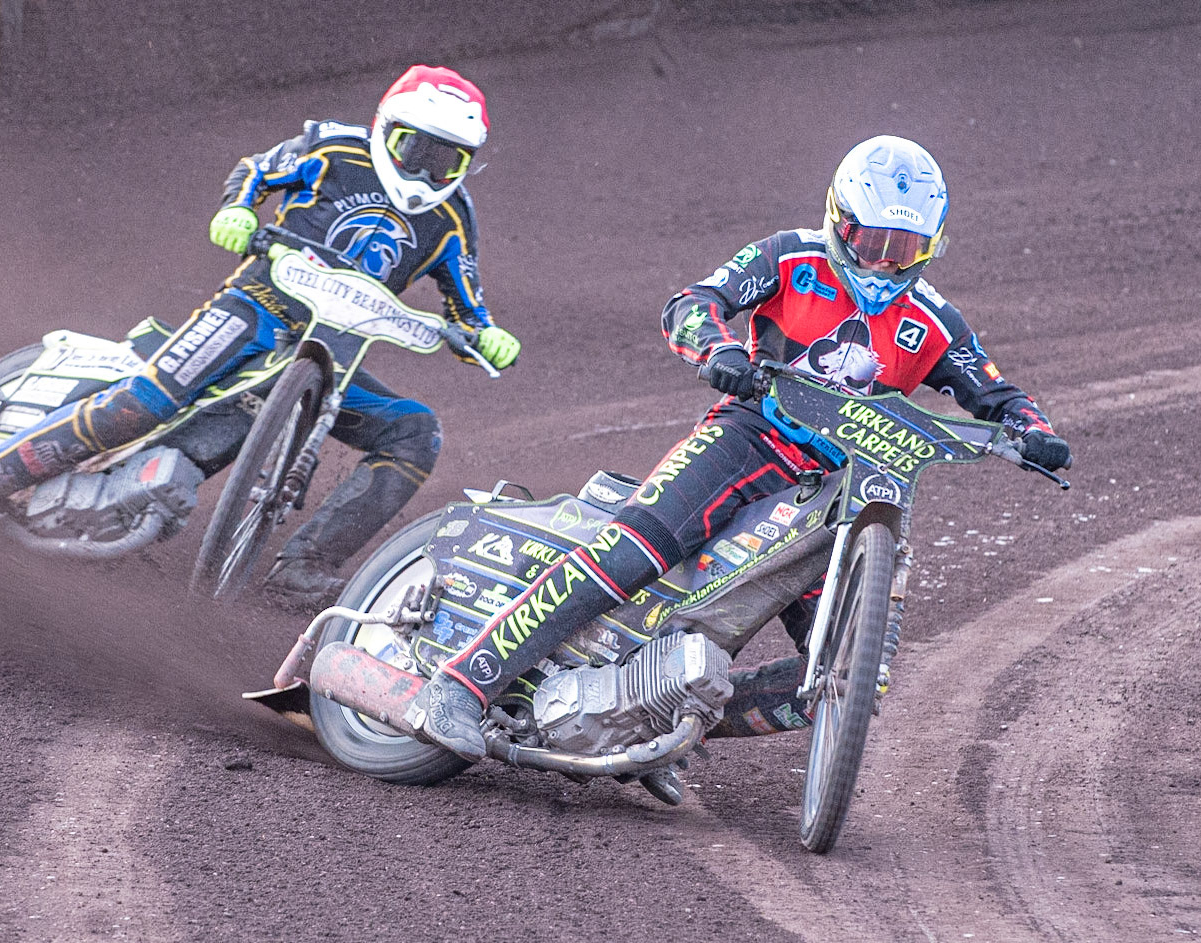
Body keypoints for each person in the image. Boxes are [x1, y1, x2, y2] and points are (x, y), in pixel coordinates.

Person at [413, 134, 1072, 760]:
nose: (880, 262)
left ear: (931, 247)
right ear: (839, 220)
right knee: (629, 553)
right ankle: (462, 682)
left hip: (838, 491)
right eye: (870, 242)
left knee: (852, 674)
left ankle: (659, 718)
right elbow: (693, 302)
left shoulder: (933, 320)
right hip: (749, 437)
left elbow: (996, 393)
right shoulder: (790, 257)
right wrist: (717, 349)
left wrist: (1034, 432)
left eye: (902, 249)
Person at [0, 64, 521, 601]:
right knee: (146, 402)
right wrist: (237, 209)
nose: (425, 169)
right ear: (383, 128)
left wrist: (486, 335)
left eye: (448, 159)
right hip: (255, 310)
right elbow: (256, 170)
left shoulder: (451, 218)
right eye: (413, 148)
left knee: (416, 432)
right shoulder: (333, 149)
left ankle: (303, 565)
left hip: (335, 356)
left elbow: (466, 302)